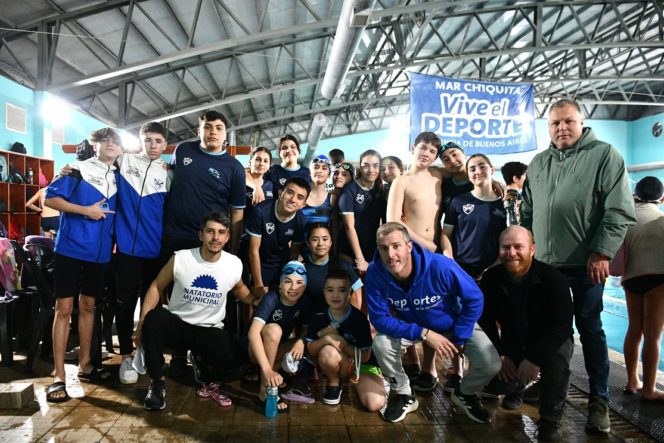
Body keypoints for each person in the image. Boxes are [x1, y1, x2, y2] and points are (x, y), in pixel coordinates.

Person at [521, 98, 636, 434]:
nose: (562, 129)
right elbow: (527, 211)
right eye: (555, 124)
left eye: (568, 122)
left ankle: (598, 399)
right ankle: (549, 385)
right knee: (548, 331)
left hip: (586, 265)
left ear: (581, 122)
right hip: (545, 265)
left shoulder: (604, 155)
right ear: (548, 128)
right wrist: (530, 248)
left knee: (590, 328)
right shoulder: (539, 162)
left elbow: (619, 210)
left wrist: (601, 251)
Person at [366, 222, 501, 424]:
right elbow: (379, 319)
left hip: (452, 325)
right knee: (381, 344)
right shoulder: (375, 272)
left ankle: (465, 393)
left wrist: (460, 336)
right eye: (384, 248)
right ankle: (404, 394)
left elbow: (474, 297)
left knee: (491, 363)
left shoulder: (440, 265)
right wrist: (424, 333)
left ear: (409, 246)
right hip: (414, 327)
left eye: (396, 246)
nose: (390, 254)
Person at [133, 211, 260, 411]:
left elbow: (239, 289)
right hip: (178, 325)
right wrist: (140, 324)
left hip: (208, 329)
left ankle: (202, 363)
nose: (215, 237)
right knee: (154, 320)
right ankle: (157, 384)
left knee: (237, 365)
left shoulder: (233, 264)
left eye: (221, 232)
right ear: (201, 235)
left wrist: (255, 300)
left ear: (228, 237)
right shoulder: (181, 258)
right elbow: (156, 287)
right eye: (210, 231)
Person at [44, 127, 122, 402]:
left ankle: (86, 364)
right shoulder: (76, 169)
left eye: (116, 141)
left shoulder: (118, 176)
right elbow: (50, 198)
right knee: (63, 309)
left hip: (100, 255)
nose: (112, 144)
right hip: (70, 249)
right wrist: (85, 211)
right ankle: (58, 375)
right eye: (106, 140)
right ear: (95, 144)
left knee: (89, 306)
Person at [479, 226, 574, 441]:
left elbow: (562, 326)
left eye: (518, 247)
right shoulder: (492, 278)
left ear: (532, 249)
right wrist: (499, 354)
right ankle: (517, 388)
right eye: (506, 247)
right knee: (496, 382)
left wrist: (534, 359)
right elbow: (484, 320)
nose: (512, 253)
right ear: (499, 250)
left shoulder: (553, 279)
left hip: (548, 341)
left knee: (558, 361)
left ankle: (550, 419)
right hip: (513, 341)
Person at [385, 132, 444, 391]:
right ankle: (409, 359)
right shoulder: (401, 181)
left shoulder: (439, 177)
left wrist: (496, 184)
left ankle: (430, 367)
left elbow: (464, 171)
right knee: (407, 307)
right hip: (414, 251)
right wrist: (426, 243)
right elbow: (392, 221)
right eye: (422, 148)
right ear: (413, 148)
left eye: (432, 151)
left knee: (434, 309)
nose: (426, 154)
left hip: (436, 252)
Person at [114, 122, 172, 384]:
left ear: (165, 145)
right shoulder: (124, 161)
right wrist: (70, 170)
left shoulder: (168, 173)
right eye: (148, 140)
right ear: (140, 141)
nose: (152, 146)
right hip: (126, 248)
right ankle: (126, 355)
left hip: (154, 249)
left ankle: (146, 350)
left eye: (158, 141)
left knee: (151, 305)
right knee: (125, 302)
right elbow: (95, 161)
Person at [162, 110, 246, 257]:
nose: (213, 132)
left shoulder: (235, 168)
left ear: (225, 134)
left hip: (210, 239)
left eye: (219, 128)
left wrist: (233, 250)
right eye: (208, 127)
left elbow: (237, 212)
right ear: (199, 131)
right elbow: (168, 175)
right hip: (174, 233)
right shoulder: (183, 150)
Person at [612, 176, 664, 402]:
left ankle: (632, 381)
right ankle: (649, 389)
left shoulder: (627, 217)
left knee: (635, 330)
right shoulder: (661, 218)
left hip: (631, 279)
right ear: (661, 198)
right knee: (653, 336)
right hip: (657, 279)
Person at [306, 269, 385, 410]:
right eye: (330, 290)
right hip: (341, 362)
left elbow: (365, 357)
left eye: (342, 290)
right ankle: (334, 382)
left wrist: (341, 342)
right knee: (327, 352)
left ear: (350, 293)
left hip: (362, 366)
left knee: (374, 404)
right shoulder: (319, 314)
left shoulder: (359, 319)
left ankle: (373, 382)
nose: (335, 295)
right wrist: (328, 339)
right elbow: (311, 349)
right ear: (324, 292)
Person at [247, 260, 309, 413]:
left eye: (299, 282)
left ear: (304, 286)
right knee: (274, 330)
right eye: (288, 282)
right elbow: (253, 333)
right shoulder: (271, 298)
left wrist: (301, 341)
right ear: (280, 285)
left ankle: (272, 373)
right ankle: (265, 389)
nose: (293, 287)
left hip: (276, 350)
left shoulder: (303, 302)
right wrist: (267, 370)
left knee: (305, 343)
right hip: (255, 351)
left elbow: (307, 329)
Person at [441, 154, 506, 278]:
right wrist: (450, 261)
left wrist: (493, 268)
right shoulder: (458, 201)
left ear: (492, 170)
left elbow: (508, 241)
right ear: (468, 175)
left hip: (494, 270)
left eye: (482, 167)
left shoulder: (504, 204)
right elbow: (445, 234)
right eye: (472, 169)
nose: (478, 172)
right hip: (460, 269)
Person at [246, 177, 309, 296]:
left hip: (281, 262)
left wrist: (289, 276)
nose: (293, 199)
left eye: (300, 197)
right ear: (280, 193)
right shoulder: (261, 211)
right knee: (258, 301)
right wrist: (258, 285)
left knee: (279, 300)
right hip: (260, 261)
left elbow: (294, 252)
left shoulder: (301, 221)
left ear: (303, 204)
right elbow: (253, 251)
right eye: (290, 192)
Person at [337, 149, 386, 275]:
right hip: (349, 252)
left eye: (375, 166)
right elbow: (349, 227)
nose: (371, 170)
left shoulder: (381, 190)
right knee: (354, 292)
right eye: (366, 165)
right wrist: (360, 259)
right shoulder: (349, 190)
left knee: (370, 292)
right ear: (360, 166)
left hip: (372, 251)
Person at [302, 223, 362, 314]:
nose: (320, 244)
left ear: (330, 242)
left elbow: (356, 294)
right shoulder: (302, 268)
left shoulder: (342, 266)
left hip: (339, 319)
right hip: (312, 321)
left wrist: (353, 320)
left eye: (325, 239)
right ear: (308, 243)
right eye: (315, 239)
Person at [301, 155, 333, 227]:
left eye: (324, 168)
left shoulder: (332, 197)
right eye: (316, 167)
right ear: (309, 172)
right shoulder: (299, 193)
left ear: (329, 174)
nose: (319, 171)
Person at [244, 146, 274, 214]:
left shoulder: (269, 185)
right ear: (250, 163)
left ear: (269, 166)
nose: (261, 164)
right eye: (257, 159)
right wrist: (257, 188)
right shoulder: (241, 180)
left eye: (265, 161)